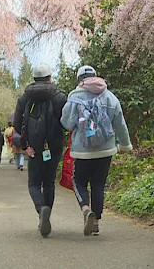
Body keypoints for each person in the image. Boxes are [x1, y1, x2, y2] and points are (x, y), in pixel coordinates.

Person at [61, 65, 133, 237]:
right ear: (95, 76)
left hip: (82, 150)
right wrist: (125, 144)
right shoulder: (109, 96)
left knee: (78, 182)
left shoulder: (74, 97)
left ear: (79, 79)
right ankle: (96, 223)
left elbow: (67, 123)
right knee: (98, 184)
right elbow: (120, 123)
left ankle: (86, 209)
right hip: (106, 150)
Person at [13, 64, 67, 237]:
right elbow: (65, 121)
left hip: (33, 146)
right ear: (50, 77)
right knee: (49, 182)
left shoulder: (24, 98)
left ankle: (41, 209)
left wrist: (25, 140)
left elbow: (16, 123)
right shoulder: (58, 97)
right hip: (54, 145)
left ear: (34, 78)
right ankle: (47, 213)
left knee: (34, 183)